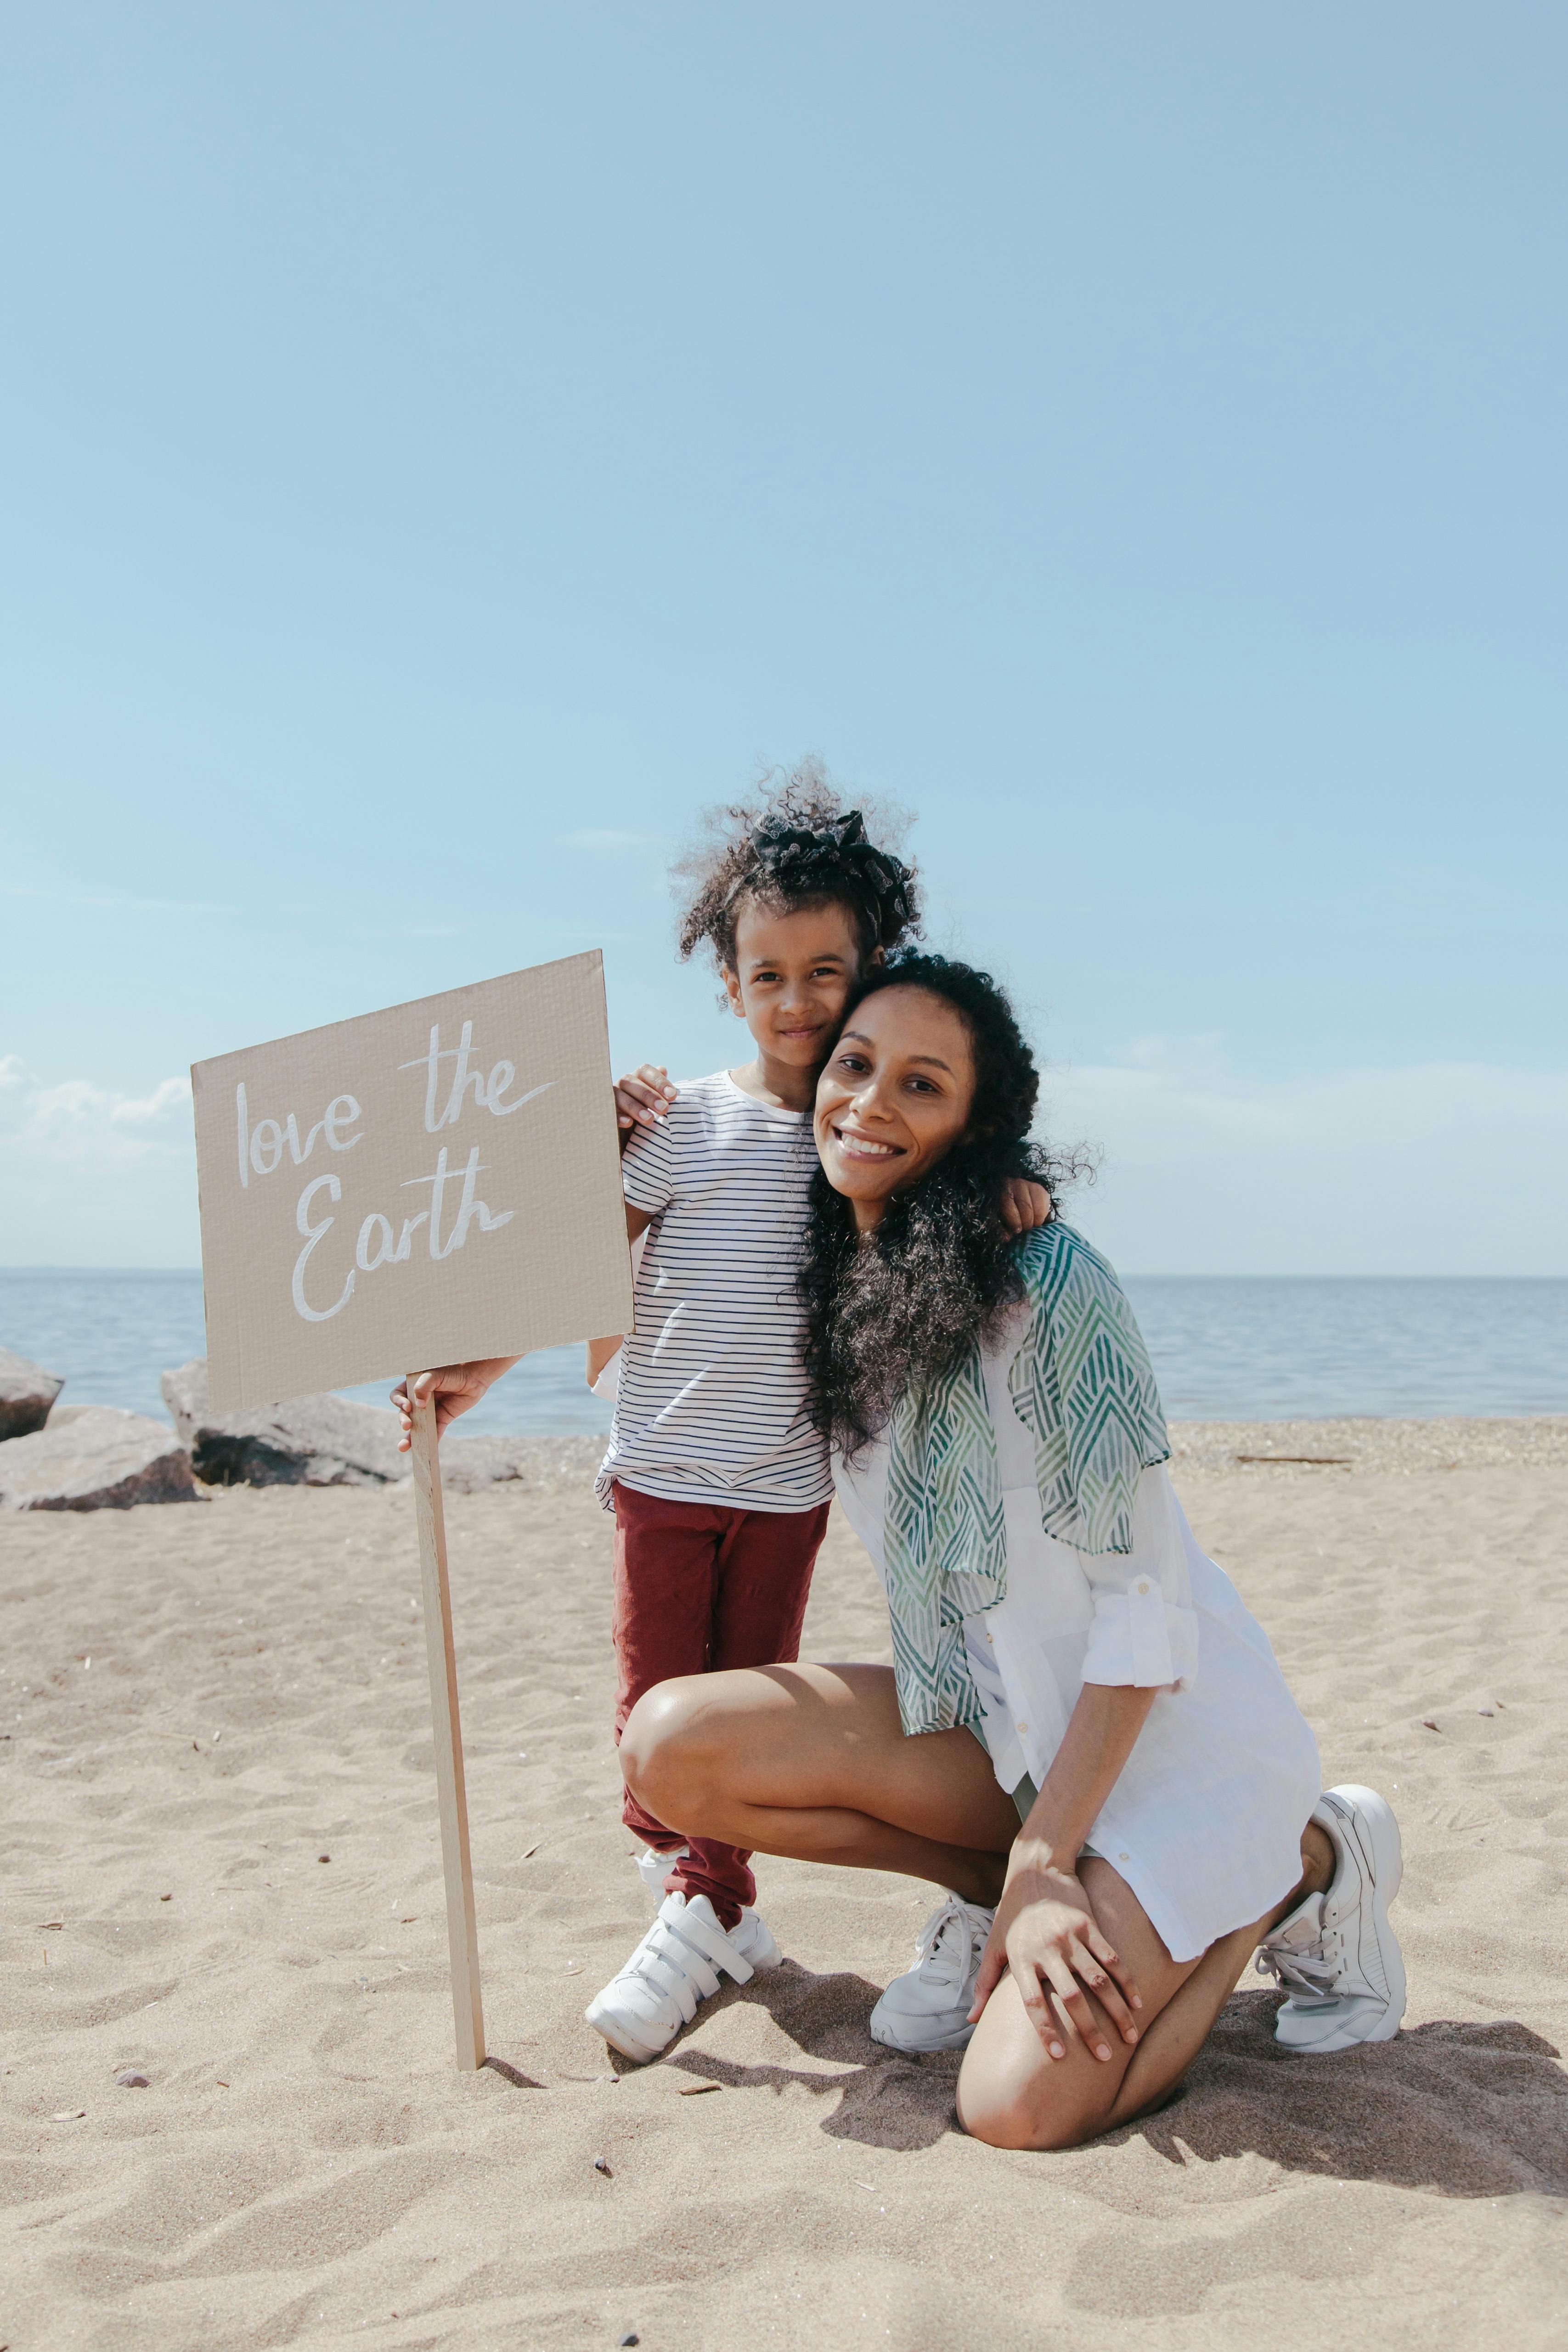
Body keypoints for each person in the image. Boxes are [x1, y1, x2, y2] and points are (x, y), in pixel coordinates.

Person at [616, 953, 1406, 2148]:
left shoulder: (1049, 1284)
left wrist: (1050, 1862)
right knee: (671, 1750)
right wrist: (464, 1358)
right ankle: (1011, 1891)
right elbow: (632, 1327)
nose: (872, 1102)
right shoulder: (842, 1300)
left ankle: (1301, 1862)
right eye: (855, 1064)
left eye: (922, 1085)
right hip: (1011, 1749)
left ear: (977, 1129)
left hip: (1169, 1747)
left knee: (1013, 2106)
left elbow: (1148, 1615)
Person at [392, 770, 1050, 2065]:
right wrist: (478, 1368)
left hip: (789, 1487)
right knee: (649, 1716)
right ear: (730, 985)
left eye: (826, 971)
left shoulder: (868, 1134)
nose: (799, 1003)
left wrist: (1012, 1185)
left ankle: (708, 1906)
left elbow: (972, 1185)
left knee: (739, 1703)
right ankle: (703, 1905)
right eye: (769, 976)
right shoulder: (686, 1122)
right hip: (661, 1474)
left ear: (871, 968)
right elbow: (580, 1259)